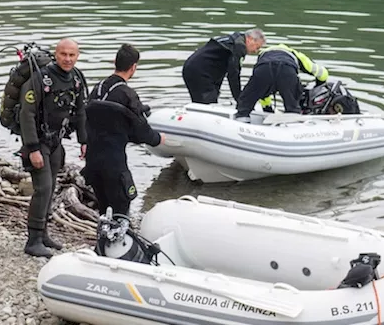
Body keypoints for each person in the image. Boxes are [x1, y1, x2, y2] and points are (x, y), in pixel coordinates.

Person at [19, 38, 87, 258]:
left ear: (77, 56)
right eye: (63, 54)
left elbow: (80, 111)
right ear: (56, 55)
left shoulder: (76, 78)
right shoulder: (41, 79)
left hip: (55, 141)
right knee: (44, 188)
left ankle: (43, 233)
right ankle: (33, 240)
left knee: (52, 185)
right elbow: (26, 114)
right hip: (37, 142)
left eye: (72, 55)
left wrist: (84, 140)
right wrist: (32, 148)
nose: (68, 59)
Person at [83, 44, 164, 220]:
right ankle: (120, 244)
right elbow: (142, 132)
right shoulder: (128, 94)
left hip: (93, 160)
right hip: (113, 162)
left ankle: (102, 242)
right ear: (134, 67)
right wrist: (159, 139)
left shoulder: (98, 88)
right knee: (122, 208)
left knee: (104, 210)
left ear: (115, 62)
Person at [234, 43, 329, 122]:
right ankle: (294, 122)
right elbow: (323, 73)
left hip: (264, 68)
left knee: (245, 102)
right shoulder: (296, 55)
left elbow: (262, 90)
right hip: (287, 70)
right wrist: (319, 86)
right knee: (293, 105)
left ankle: (241, 119)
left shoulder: (263, 55)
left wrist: (267, 109)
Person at [181, 28, 266, 104]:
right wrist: (240, 100)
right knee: (207, 102)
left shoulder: (234, 39)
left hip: (193, 67)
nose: (255, 51)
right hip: (200, 72)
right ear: (250, 39)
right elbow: (233, 75)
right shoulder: (238, 47)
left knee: (207, 98)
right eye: (257, 47)